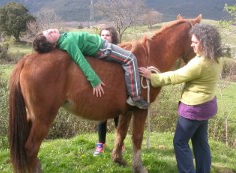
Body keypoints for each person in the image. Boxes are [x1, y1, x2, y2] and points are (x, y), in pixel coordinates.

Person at [139, 24, 223, 173]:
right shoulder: (218, 59)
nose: (192, 45)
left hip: (193, 108)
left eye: (195, 42)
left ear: (205, 43)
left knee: (180, 142)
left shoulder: (199, 63)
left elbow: (176, 76)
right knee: (201, 142)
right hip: (206, 106)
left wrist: (152, 77)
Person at [32, 28, 149, 109]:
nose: (51, 31)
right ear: (53, 45)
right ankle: (135, 96)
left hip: (100, 43)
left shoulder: (63, 38)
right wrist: (94, 80)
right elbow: (80, 60)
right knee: (130, 58)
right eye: (50, 35)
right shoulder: (67, 42)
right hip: (102, 48)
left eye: (48, 31)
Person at [93, 26, 124, 156]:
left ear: (113, 38)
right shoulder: (95, 50)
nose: (104, 37)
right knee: (102, 117)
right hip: (101, 88)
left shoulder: (119, 51)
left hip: (116, 89)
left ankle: (119, 144)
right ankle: (100, 144)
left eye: (107, 35)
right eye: (103, 35)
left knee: (118, 117)